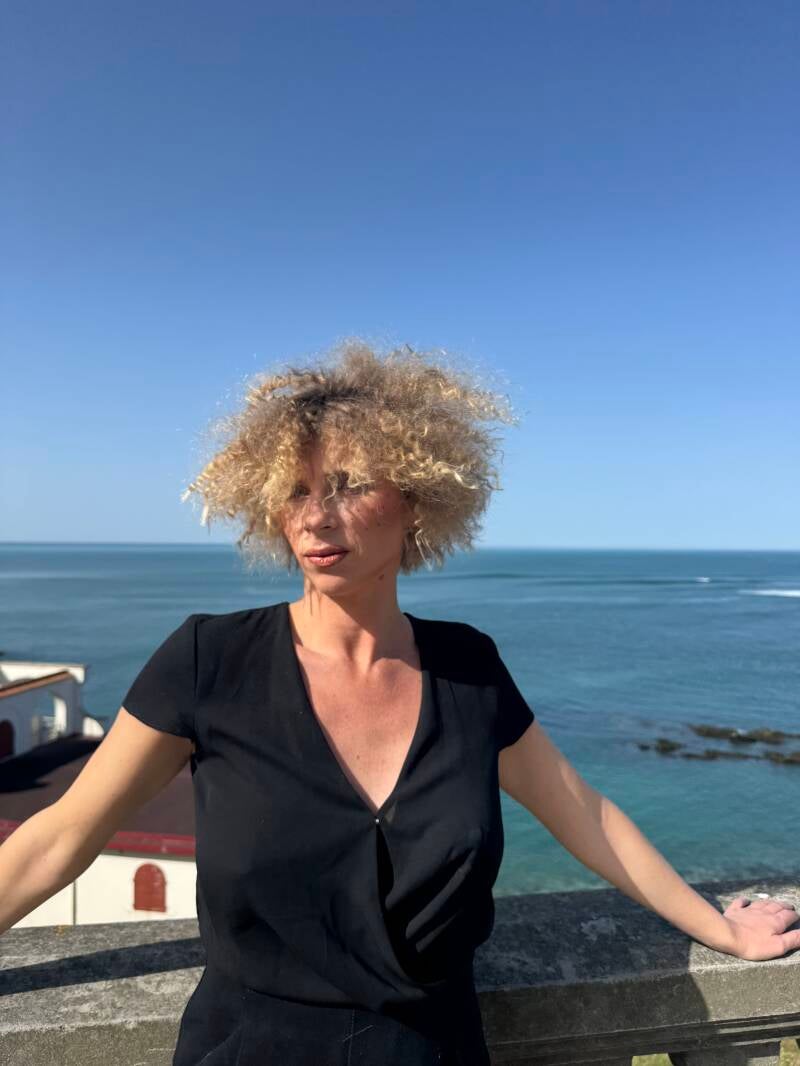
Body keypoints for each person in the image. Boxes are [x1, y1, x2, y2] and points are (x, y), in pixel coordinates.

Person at [1, 341, 798, 1066]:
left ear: (417, 502)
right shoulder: (210, 659)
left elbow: (583, 814)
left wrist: (719, 927)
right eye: (296, 491)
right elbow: (62, 836)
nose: (317, 516)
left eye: (349, 486)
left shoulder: (466, 666)